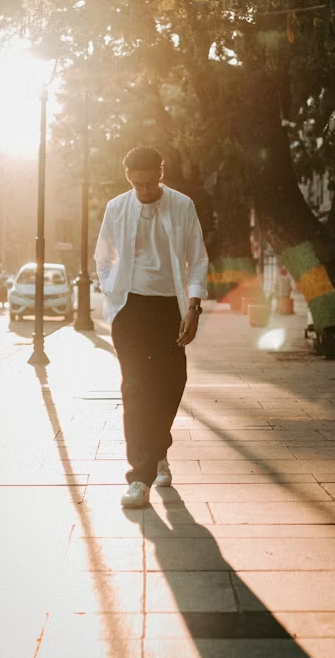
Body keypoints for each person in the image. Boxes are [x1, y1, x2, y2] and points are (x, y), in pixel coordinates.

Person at [95, 146, 209, 508]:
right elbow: (103, 257)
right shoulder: (117, 207)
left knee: (173, 381)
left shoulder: (182, 205)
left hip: (170, 307)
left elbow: (199, 259)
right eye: (135, 183)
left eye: (148, 183)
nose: (142, 191)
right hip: (130, 306)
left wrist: (193, 306)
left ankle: (158, 448)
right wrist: (114, 294)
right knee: (135, 386)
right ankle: (139, 478)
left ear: (161, 172)